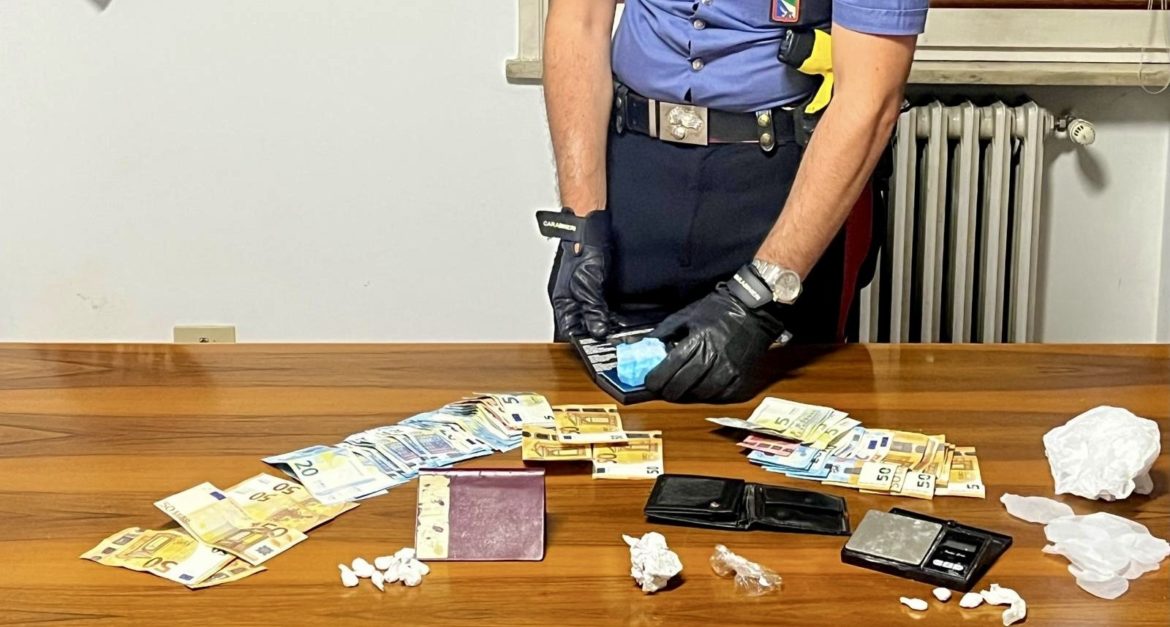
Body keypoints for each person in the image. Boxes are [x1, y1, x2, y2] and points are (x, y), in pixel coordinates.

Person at [539, 0, 928, 402]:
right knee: (592, 416)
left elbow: (871, 95)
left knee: (779, 419)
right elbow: (578, 20)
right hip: (630, 186)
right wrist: (582, 227)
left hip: (782, 195)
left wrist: (759, 296)